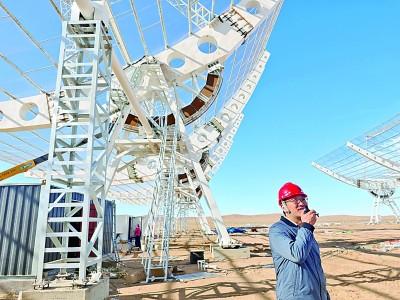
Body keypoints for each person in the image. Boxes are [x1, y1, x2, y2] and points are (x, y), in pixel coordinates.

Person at [268, 182, 330, 300]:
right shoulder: (277, 230)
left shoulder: (305, 230)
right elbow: (297, 255)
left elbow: (315, 267)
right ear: (283, 206)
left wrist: (324, 295)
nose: (301, 203)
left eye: (303, 199)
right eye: (294, 200)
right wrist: (306, 226)